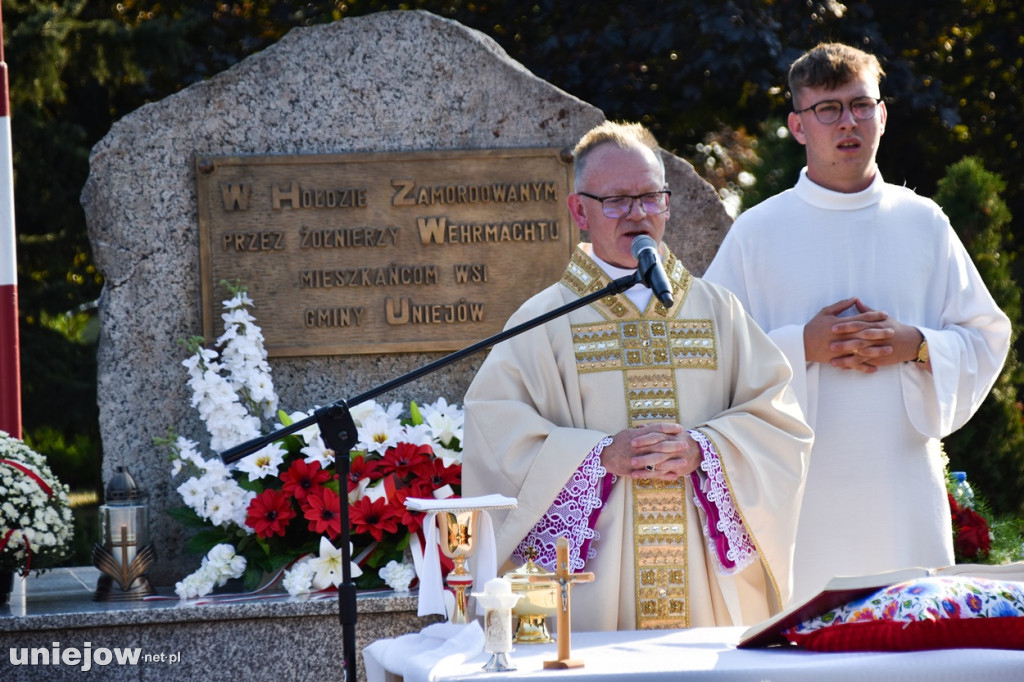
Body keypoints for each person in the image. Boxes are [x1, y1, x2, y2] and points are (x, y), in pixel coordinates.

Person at [462, 121, 813, 631]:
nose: (638, 214)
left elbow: (780, 425)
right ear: (579, 210)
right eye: (617, 201)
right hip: (591, 584)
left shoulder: (720, 312)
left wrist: (704, 450)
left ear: (668, 204)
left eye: (651, 198)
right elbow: (495, 431)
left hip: (702, 583)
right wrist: (598, 456)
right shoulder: (544, 321)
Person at [703, 43, 1011, 605]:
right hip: (800, 492)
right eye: (827, 110)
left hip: (901, 485)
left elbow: (985, 336)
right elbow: (707, 358)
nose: (848, 122)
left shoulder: (924, 223)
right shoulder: (757, 232)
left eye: (860, 105)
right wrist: (800, 347)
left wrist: (915, 346)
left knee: (912, 640)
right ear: (798, 126)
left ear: (882, 115)